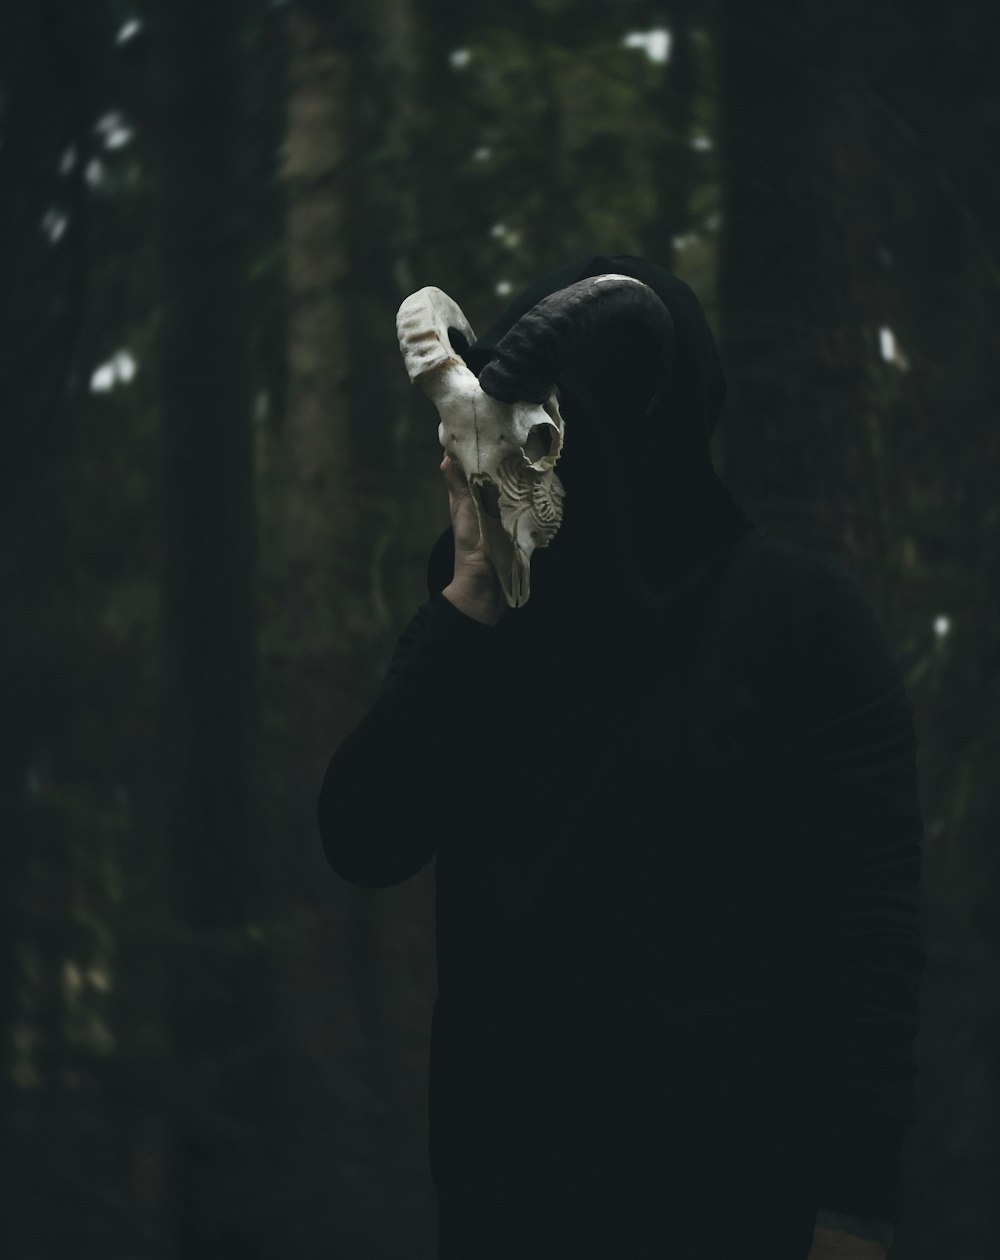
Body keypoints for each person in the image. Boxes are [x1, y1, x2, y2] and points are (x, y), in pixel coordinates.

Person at [317, 256, 925, 1259]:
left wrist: (851, 1206)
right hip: (510, 1210)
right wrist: (469, 585)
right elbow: (363, 832)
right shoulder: (492, 629)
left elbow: (865, 935)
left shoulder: (795, 621)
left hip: (733, 1208)